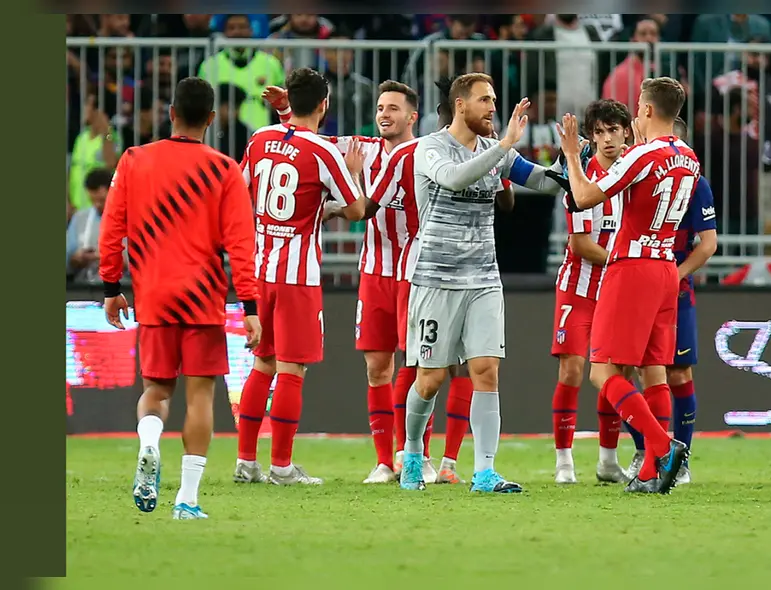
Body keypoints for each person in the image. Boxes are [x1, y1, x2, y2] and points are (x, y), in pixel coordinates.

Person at [263, 78, 483, 486]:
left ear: (412, 116)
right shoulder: (358, 147)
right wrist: (285, 112)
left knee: (417, 364)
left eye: (394, 108)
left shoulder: (427, 152)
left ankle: (414, 454)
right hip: (374, 271)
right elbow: (306, 137)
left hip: (417, 274)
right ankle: (385, 461)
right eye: (381, 107)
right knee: (377, 366)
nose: (385, 114)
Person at [99, 77, 262, 520]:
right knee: (200, 397)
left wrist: (112, 287)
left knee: (156, 389)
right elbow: (240, 244)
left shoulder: (133, 160)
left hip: (152, 294)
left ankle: (150, 441)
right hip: (202, 297)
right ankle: (187, 499)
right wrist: (249, 306)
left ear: (171, 113)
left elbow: (112, 228)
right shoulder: (224, 169)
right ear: (211, 119)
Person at [399, 72, 567, 492]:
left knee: (486, 371)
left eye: (493, 99)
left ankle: (485, 472)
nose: (493, 107)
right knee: (431, 379)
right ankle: (413, 454)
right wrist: (506, 146)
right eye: (484, 100)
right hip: (436, 279)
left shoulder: (496, 150)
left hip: (485, 279)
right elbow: (455, 178)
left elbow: (544, 183)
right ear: (460, 105)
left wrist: (569, 160)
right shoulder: (430, 148)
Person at [557, 76, 696, 494]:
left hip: (632, 266)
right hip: (666, 269)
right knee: (654, 372)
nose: (635, 113)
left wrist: (571, 156)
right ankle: (652, 471)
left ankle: (661, 446)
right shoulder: (689, 157)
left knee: (602, 371)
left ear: (649, 110)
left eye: (638, 106)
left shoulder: (643, 155)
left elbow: (583, 197)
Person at [234, 68, 367, 486]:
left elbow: (242, 188)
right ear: (325, 104)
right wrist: (354, 173)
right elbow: (356, 209)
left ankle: (245, 462)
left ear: (290, 100)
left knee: (262, 364)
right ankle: (281, 467)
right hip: (296, 276)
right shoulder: (324, 152)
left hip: (258, 269)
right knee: (291, 369)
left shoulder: (259, 139)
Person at [618, 116, 719, 485]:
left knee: (675, 373)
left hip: (672, 287)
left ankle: (680, 457)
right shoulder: (636, 170)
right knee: (627, 370)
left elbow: (708, 244)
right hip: (637, 280)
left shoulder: (696, 183)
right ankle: (648, 450)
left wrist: (673, 276)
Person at [549, 98, 630, 485]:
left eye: (613, 129)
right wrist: (626, 260)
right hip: (579, 288)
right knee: (573, 369)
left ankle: (607, 460)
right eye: (599, 132)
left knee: (614, 370)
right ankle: (564, 460)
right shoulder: (579, 173)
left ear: (626, 131)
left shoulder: (637, 170)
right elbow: (580, 243)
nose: (607, 138)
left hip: (618, 291)